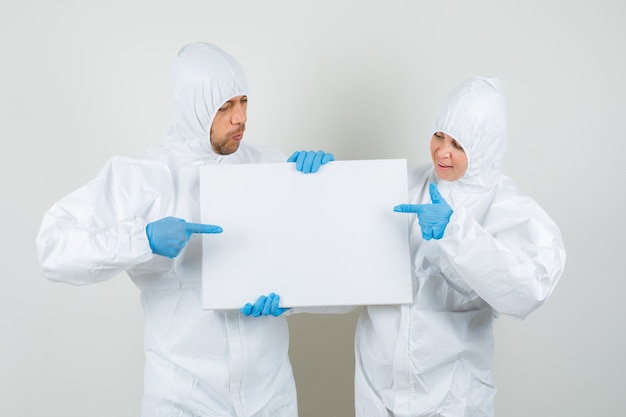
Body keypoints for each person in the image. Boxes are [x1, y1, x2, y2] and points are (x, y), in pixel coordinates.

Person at [36, 42, 333, 417]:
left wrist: (328, 190)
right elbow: (54, 248)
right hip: (183, 400)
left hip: (269, 397)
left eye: (243, 101)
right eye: (224, 107)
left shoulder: (272, 166)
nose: (240, 118)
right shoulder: (140, 177)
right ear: (192, 106)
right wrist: (142, 240)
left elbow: (330, 268)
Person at [354, 76, 566, 416]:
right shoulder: (402, 184)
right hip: (380, 391)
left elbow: (528, 291)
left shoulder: (506, 206)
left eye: (459, 145)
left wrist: (456, 231)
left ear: (484, 150)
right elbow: (350, 265)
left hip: (452, 398)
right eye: (439, 135)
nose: (442, 151)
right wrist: (317, 179)